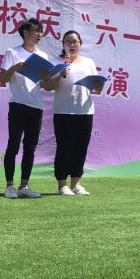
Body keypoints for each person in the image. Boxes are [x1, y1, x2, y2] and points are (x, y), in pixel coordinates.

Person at [42, 30, 103, 196]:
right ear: (63, 45)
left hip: (85, 111)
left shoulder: (89, 63)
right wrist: (60, 75)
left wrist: (99, 87)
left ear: (80, 44)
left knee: (81, 148)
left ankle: (76, 184)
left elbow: (95, 87)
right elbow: (47, 86)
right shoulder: (56, 62)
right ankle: (62, 185)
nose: (71, 45)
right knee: (63, 148)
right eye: (68, 42)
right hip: (63, 111)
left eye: (75, 41)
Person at [0, 18, 47, 199]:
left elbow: (44, 85)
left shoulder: (42, 56)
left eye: (41, 31)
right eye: (36, 30)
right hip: (18, 104)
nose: (40, 34)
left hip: (36, 106)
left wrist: (47, 77)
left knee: (30, 147)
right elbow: (2, 79)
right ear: (26, 33)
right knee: (13, 144)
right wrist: (15, 67)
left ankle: (24, 185)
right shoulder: (12, 52)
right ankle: (9, 186)